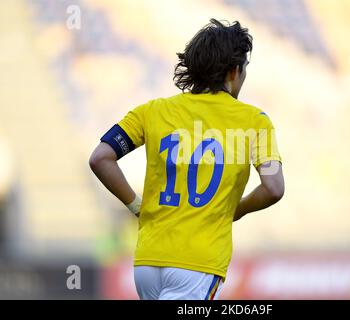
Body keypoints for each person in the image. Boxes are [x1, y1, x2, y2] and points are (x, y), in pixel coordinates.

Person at [89, 18, 284, 300]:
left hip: (148, 261)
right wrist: (236, 210)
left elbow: (100, 158)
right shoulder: (254, 122)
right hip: (196, 262)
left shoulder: (152, 111)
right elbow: (273, 187)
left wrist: (135, 206)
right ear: (233, 72)